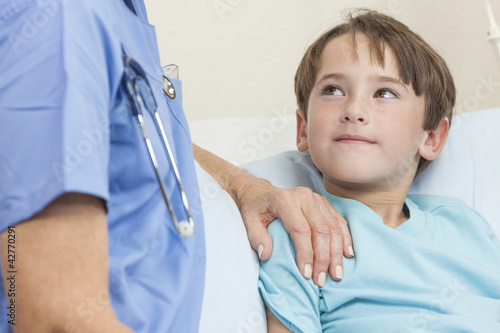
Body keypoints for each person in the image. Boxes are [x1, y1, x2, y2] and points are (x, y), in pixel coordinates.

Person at [0, 0, 354, 332]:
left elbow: (143, 131)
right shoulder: (61, 16)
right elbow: (57, 320)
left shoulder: (119, 13)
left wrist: (241, 185)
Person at [258, 9, 500, 332]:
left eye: (385, 93)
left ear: (431, 138)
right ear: (303, 129)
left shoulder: (466, 225)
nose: (354, 110)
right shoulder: (298, 233)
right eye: (333, 90)